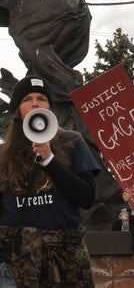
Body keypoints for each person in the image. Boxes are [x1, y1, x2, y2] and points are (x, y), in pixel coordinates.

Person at [0, 75, 100, 286]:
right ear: (17, 109)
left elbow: (87, 197)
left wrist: (50, 160)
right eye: (27, 99)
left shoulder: (71, 141)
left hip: (66, 260)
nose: (35, 103)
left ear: (50, 107)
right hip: (19, 262)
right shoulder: (3, 154)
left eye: (41, 98)